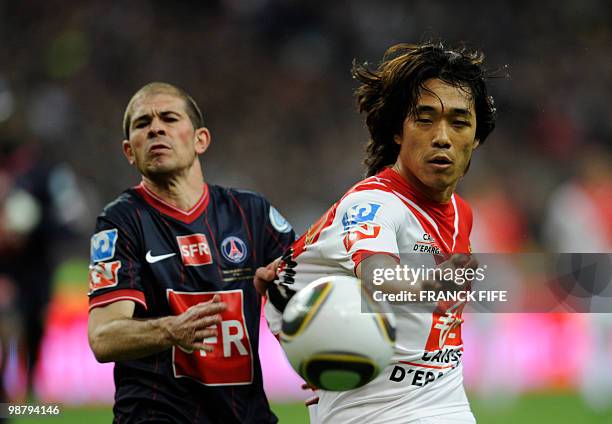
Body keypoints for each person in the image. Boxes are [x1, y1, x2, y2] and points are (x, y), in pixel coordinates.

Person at [258, 42, 496, 423]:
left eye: (459, 121)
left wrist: (312, 339)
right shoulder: (374, 203)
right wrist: (427, 288)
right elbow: (377, 273)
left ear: (476, 137)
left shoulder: (460, 212)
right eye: (425, 118)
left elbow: (276, 281)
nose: (442, 137)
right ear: (397, 132)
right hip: (376, 414)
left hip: (446, 402)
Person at [87, 82, 295, 423]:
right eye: (143, 124)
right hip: (156, 414)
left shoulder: (250, 212)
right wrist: (171, 330)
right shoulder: (121, 221)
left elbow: (311, 288)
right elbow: (102, 337)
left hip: (246, 415)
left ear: (201, 140)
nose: (156, 128)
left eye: (169, 118)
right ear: (129, 151)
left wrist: (319, 358)